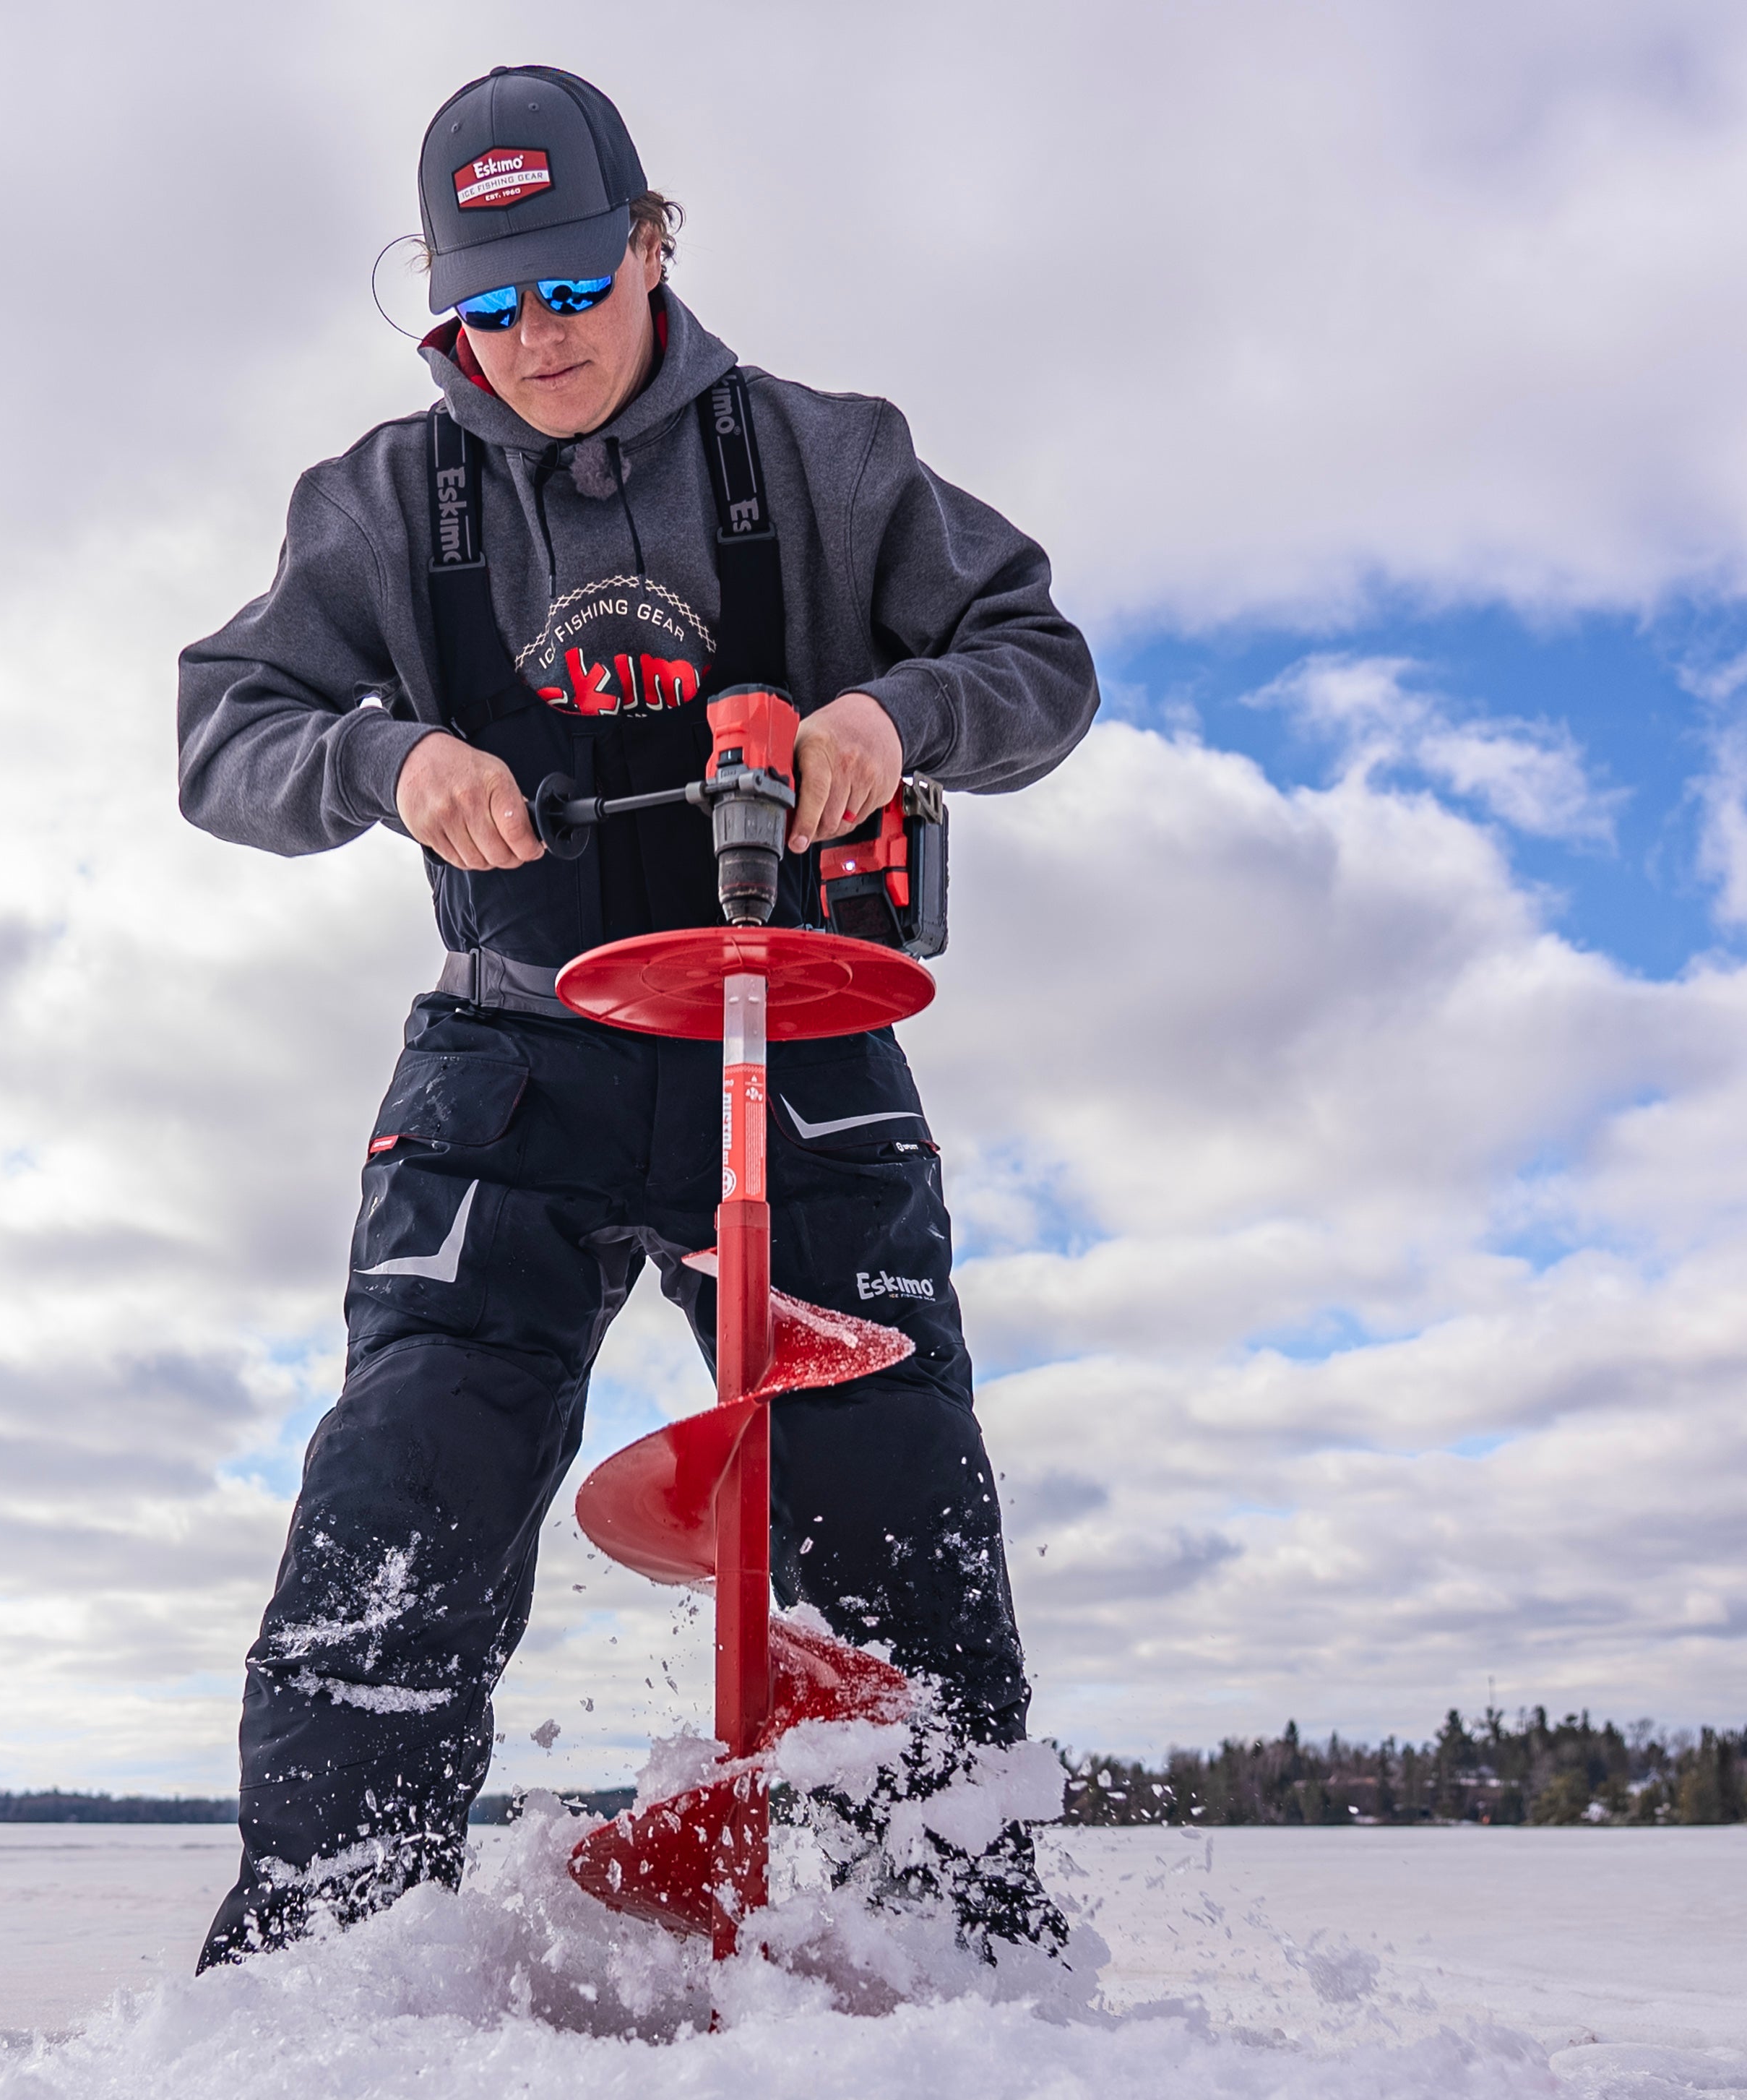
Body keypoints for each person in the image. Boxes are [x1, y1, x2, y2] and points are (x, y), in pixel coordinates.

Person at [178, 64, 1098, 1968]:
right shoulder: (377, 504)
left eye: (572, 288)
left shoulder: (829, 461)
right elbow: (220, 736)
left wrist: (882, 723)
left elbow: (1037, 661)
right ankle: (316, 1981)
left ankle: (953, 1968)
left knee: (883, 1497)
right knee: (404, 1485)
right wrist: (385, 755)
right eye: (487, 304)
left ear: (652, 244)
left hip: (802, 1039)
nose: (535, 339)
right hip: (509, 1064)